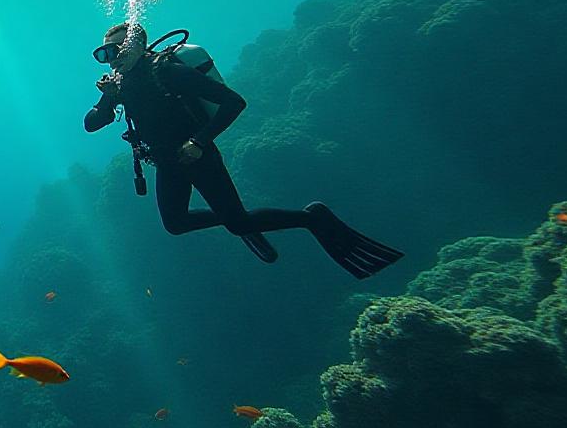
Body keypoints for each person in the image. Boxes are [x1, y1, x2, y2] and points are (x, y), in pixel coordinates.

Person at [85, 22, 401, 278]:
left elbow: (234, 102)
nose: (112, 57)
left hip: (198, 157)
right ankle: (241, 221)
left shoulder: (167, 71)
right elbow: (91, 124)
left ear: (139, 46)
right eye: (104, 53)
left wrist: (199, 142)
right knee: (176, 224)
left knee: (237, 223)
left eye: (118, 49)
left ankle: (311, 218)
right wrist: (107, 98)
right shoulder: (119, 85)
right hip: (167, 162)